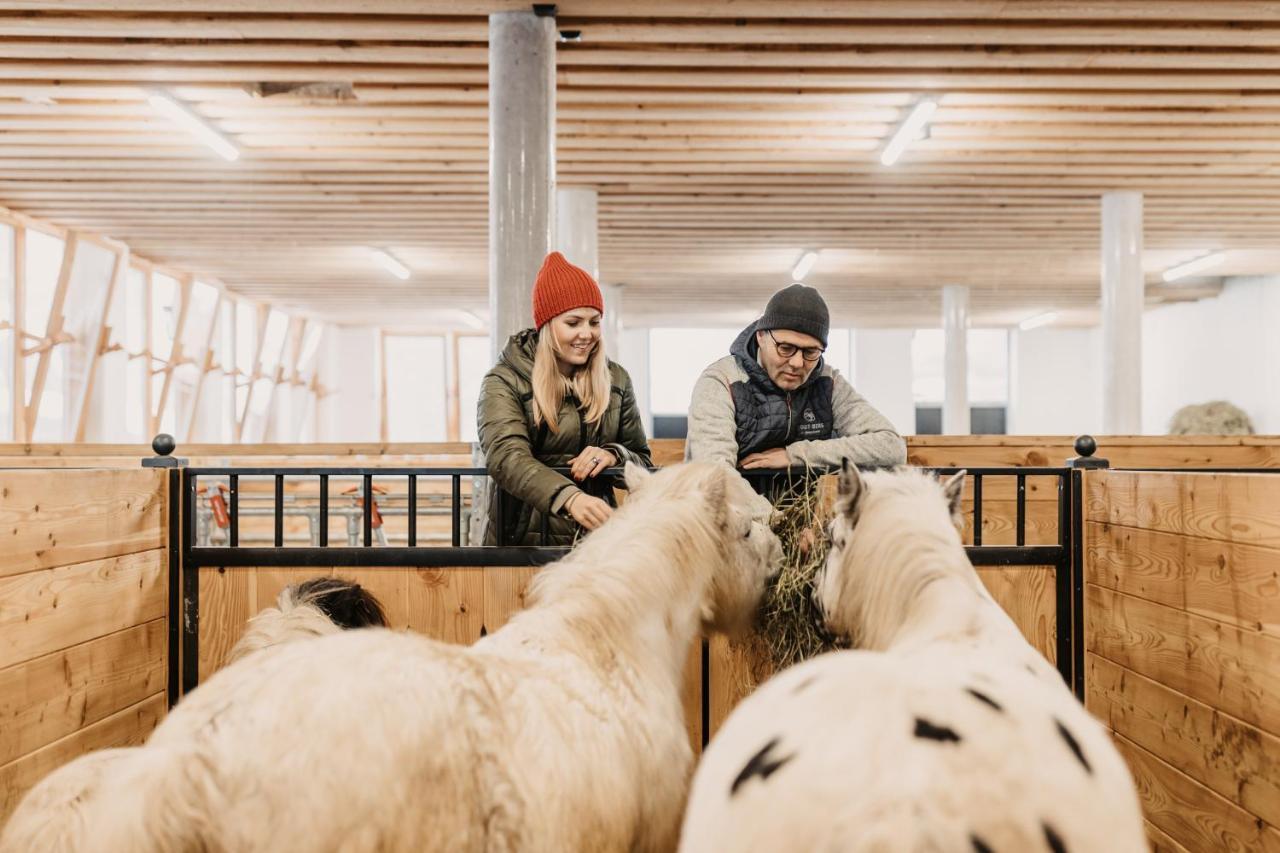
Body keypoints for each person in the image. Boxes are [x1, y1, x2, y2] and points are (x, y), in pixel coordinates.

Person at [478, 251, 651, 545]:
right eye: (573, 323)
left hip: (598, 542)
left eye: (594, 322)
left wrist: (613, 455)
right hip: (522, 545)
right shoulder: (504, 380)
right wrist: (569, 498)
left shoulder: (616, 380)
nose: (587, 333)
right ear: (547, 325)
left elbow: (642, 462)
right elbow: (507, 457)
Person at [686, 283, 906, 512]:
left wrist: (798, 455)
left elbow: (891, 446)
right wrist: (775, 523)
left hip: (807, 526)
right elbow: (716, 474)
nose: (797, 363)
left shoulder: (828, 382)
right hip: (735, 527)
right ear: (761, 336)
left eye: (810, 352)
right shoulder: (721, 381)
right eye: (785, 348)